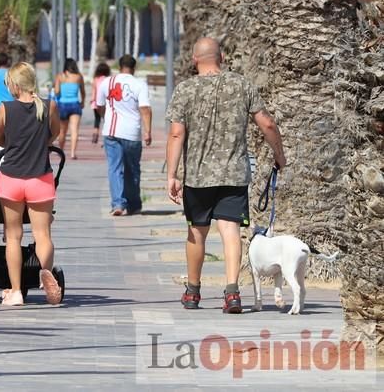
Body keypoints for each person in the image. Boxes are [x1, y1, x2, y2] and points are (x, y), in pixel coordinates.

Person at [165, 37, 286, 314]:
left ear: (194, 60)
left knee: (197, 230)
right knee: (230, 230)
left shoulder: (185, 90)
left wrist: (172, 174)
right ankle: (232, 293)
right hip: (234, 173)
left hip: (197, 175)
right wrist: (279, 155)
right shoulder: (241, 84)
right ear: (222, 57)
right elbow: (266, 122)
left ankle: (193, 292)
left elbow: (176, 133)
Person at [0, 62, 61, 306]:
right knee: (42, 234)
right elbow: (56, 131)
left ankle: (15, 291)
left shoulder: (5, 108)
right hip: (40, 178)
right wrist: (42, 142)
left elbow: (0, 139)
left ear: (14, 83)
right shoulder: (48, 106)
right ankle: (45, 276)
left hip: (11, 178)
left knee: (13, 237)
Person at [95, 55, 152, 217]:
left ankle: (118, 203)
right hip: (132, 133)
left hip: (111, 132)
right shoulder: (139, 84)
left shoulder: (107, 82)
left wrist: (106, 117)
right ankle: (134, 205)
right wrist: (148, 131)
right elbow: (145, 109)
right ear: (134, 68)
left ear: (119, 67)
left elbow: (99, 106)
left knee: (115, 168)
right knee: (132, 170)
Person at [54, 58, 85, 159]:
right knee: (74, 130)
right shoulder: (79, 76)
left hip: (62, 105)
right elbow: (83, 92)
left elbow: (57, 92)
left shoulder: (60, 76)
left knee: (62, 131)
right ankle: (72, 153)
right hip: (75, 104)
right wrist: (82, 102)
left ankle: (61, 151)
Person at [90, 62, 111, 144]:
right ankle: (107, 137)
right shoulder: (108, 79)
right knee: (107, 120)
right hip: (106, 103)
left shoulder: (95, 79)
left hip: (96, 103)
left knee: (97, 120)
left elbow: (94, 91)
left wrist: (92, 100)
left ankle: (95, 135)